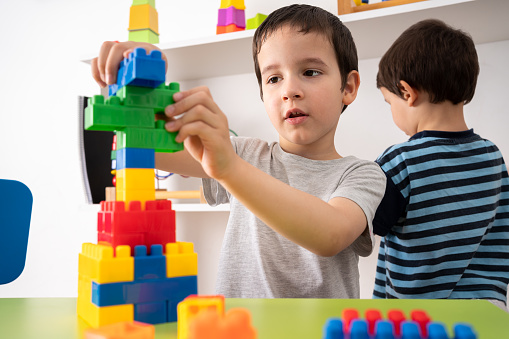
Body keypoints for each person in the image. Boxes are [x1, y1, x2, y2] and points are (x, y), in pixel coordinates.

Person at [91, 4, 386, 299]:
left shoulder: (362, 174)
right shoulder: (242, 153)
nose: (290, 90)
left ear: (348, 87)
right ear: (262, 93)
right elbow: (149, 146)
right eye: (273, 78)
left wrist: (229, 168)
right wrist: (145, 81)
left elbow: (330, 235)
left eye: (310, 71)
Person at [371, 19, 509, 309]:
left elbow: (360, 227)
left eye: (389, 102)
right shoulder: (493, 157)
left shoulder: (399, 162)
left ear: (407, 93)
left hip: (420, 316)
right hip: (489, 312)